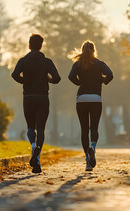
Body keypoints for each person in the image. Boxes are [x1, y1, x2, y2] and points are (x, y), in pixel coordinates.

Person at [11, 34, 61, 173]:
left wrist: (24, 82)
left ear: (29, 45)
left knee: (30, 127)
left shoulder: (23, 61)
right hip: (43, 97)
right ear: (41, 46)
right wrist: (48, 80)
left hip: (28, 97)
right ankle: (37, 158)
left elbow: (14, 74)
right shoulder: (47, 62)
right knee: (41, 129)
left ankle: (33, 146)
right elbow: (57, 78)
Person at [68, 40, 113, 171]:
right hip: (96, 98)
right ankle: (92, 147)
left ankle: (87, 159)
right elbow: (110, 74)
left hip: (81, 98)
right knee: (94, 128)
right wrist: (103, 81)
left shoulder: (77, 65)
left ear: (82, 51)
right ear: (94, 51)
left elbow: (71, 76)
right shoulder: (99, 64)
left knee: (84, 129)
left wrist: (79, 83)